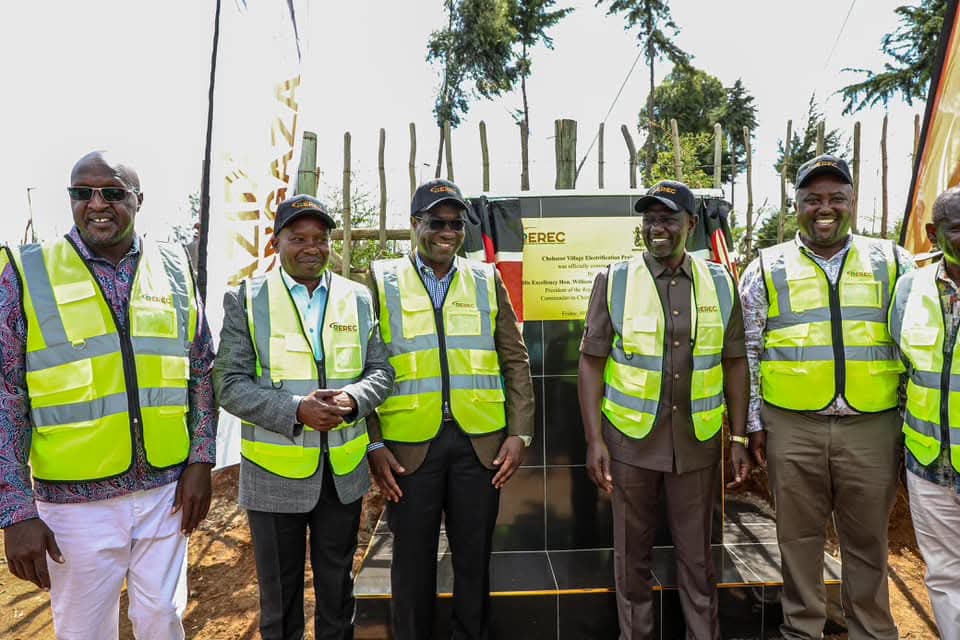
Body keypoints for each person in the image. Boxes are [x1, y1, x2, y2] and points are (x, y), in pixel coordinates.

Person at [0, 150, 217, 639]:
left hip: (165, 493)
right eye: (82, 192)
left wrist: (202, 460)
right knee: (84, 631)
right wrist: (16, 511)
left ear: (138, 199)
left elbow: (200, 369)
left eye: (113, 192)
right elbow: (6, 396)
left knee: (163, 618)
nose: (97, 203)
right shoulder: (27, 272)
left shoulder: (174, 267)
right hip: (75, 505)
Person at [739, 154, 914, 640]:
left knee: (867, 541)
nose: (825, 208)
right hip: (792, 425)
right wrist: (753, 422)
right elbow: (750, 349)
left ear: (852, 202)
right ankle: (802, 630)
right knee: (797, 539)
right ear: (796, 205)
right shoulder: (766, 266)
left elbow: (913, 343)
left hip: (872, 424)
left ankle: (871, 632)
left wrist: (906, 421)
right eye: (813, 199)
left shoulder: (893, 261)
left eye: (837, 198)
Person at [213, 194, 394, 640]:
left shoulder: (357, 298)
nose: (312, 247)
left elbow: (380, 371)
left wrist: (353, 399)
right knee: (280, 602)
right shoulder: (247, 299)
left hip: (343, 475)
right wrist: (297, 409)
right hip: (274, 476)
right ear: (276, 242)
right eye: (298, 238)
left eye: (320, 238)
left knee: (338, 596)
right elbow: (228, 384)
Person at [578, 180, 750, 640]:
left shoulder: (720, 282)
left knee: (698, 557)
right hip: (630, 444)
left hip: (696, 444)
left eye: (668, 218)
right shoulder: (615, 280)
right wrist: (594, 440)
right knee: (631, 557)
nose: (657, 227)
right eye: (650, 218)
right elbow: (591, 362)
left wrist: (736, 437)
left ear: (690, 224)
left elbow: (735, 361)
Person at [365, 178, 534, 640]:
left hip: (480, 447)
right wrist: (373, 442)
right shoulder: (381, 281)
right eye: (437, 222)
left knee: (474, 561)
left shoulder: (485, 279)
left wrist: (520, 433)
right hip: (407, 450)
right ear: (414, 224)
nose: (448, 232)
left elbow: (514, 359)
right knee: (411, 564)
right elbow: (361, 366)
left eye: (456, 224)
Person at [888, 187, 960, 640]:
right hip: (928, 464)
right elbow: (902, 372)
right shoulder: (910, 287)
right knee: (944, 575)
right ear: (934, 234)